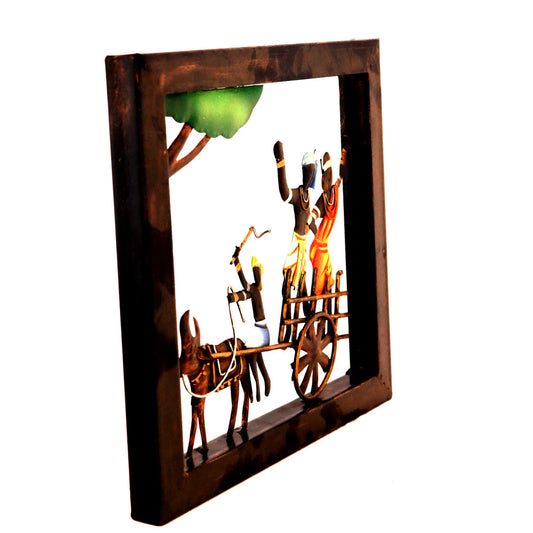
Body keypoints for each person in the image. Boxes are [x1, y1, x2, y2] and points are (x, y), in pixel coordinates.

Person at [273, 140, 317, 294]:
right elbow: (285, 194)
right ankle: (287, 297)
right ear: (304, 172)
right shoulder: (298, 195)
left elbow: (308, 218)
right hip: (297, 239)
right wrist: (281, 162)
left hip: (303, 242)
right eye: (309, 171)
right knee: (290, 270)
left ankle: (303, 300)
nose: (310, 175)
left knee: (301, 271)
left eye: (313, 172)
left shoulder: (307, 196)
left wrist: (318, 234)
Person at [308, 149, 346, 295]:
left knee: (325, 282)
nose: (324, 181)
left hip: (323, 246)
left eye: (326, 177)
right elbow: (310, 219)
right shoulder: (323, 198)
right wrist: (316, 233)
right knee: (318, 287)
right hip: (320, 245)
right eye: (323, 178)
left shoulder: (334, 191)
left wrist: (343, 159)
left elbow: (341, 176)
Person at [227, 253, 270, 349]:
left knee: (247, 348)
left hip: (261, 333)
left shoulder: (254, 289)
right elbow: (245, 295)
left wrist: (237, 262)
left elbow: (245, 285)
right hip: (260, 329)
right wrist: (233, 297)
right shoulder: (254, 290)